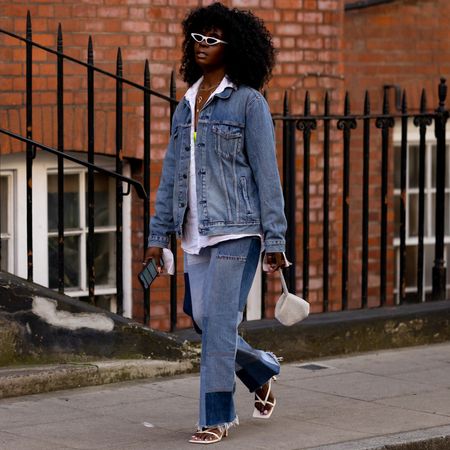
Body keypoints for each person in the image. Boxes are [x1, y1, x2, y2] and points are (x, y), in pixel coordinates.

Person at [145, 2, 287, 444]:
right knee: (204, 319)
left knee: (220, 322)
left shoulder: (249, 102)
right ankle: (260, 368)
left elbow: (267, 174)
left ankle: (216, 418)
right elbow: (171, 174)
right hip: (194, 232)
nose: (202, 46)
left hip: (238, 229)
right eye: (198, 38)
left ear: (234, 47)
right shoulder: (185, 105)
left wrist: (275, 239)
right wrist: (157, 235)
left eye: (213, 39)